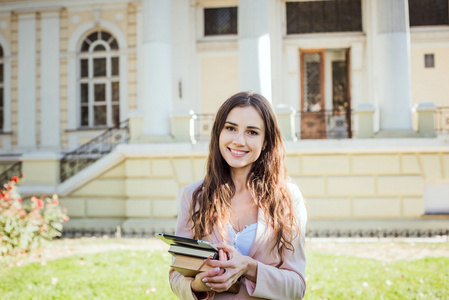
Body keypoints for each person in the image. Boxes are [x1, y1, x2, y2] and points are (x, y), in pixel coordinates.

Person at [169, 91, 307, 300]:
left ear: (266, 141)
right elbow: (176, 276)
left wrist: (249, 267)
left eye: (252, 132)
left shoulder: (287, 197)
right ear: (218, 133)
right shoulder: (193, 196)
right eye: (231, 128)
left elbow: (296, 288)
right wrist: (199, 284)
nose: (239, 140)